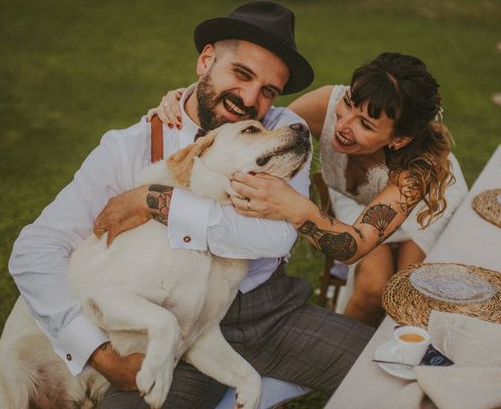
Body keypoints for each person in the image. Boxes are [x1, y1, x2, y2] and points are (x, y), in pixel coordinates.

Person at [9, 0, 374, 408]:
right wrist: (96, 351)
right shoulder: (132, 147)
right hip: (166, 338)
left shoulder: (280, 134)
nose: (250, 98)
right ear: (205, 61)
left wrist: (159, 201)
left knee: (402, 370)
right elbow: (36, 249)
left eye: (268, 90)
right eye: (241, 73)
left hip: (273, 315)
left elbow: (274, 236)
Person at [153, 52, 468, 328]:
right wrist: (189, 100)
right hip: (354, 200)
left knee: (411, 288)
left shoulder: (416, 175)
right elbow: (260, 122)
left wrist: (294, 208)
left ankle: (398, 353)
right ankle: (349, 362)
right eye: (349, 104)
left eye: (366, 126)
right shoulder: (327, 105)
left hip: (427, 208)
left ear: (398, 140)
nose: (344, 125)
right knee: (374, 287)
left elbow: (353, 246)